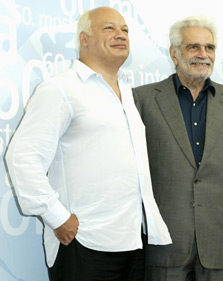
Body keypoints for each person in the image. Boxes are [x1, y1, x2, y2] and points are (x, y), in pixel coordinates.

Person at [5, 7, 171, 281]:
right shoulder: (60, 89)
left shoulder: (127, 93)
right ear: (83, 39)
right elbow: (22, 157)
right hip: (85, 244)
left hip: (133, 244)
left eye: (125, 30)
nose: (121, 35)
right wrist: (57, 217)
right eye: (110, 28)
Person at [132, 16, 223, 281]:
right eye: (193, 47)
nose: (203, 55)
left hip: (218, 240)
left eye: (210, 48)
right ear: (174, 52)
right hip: (164, 242)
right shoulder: (142, 99)